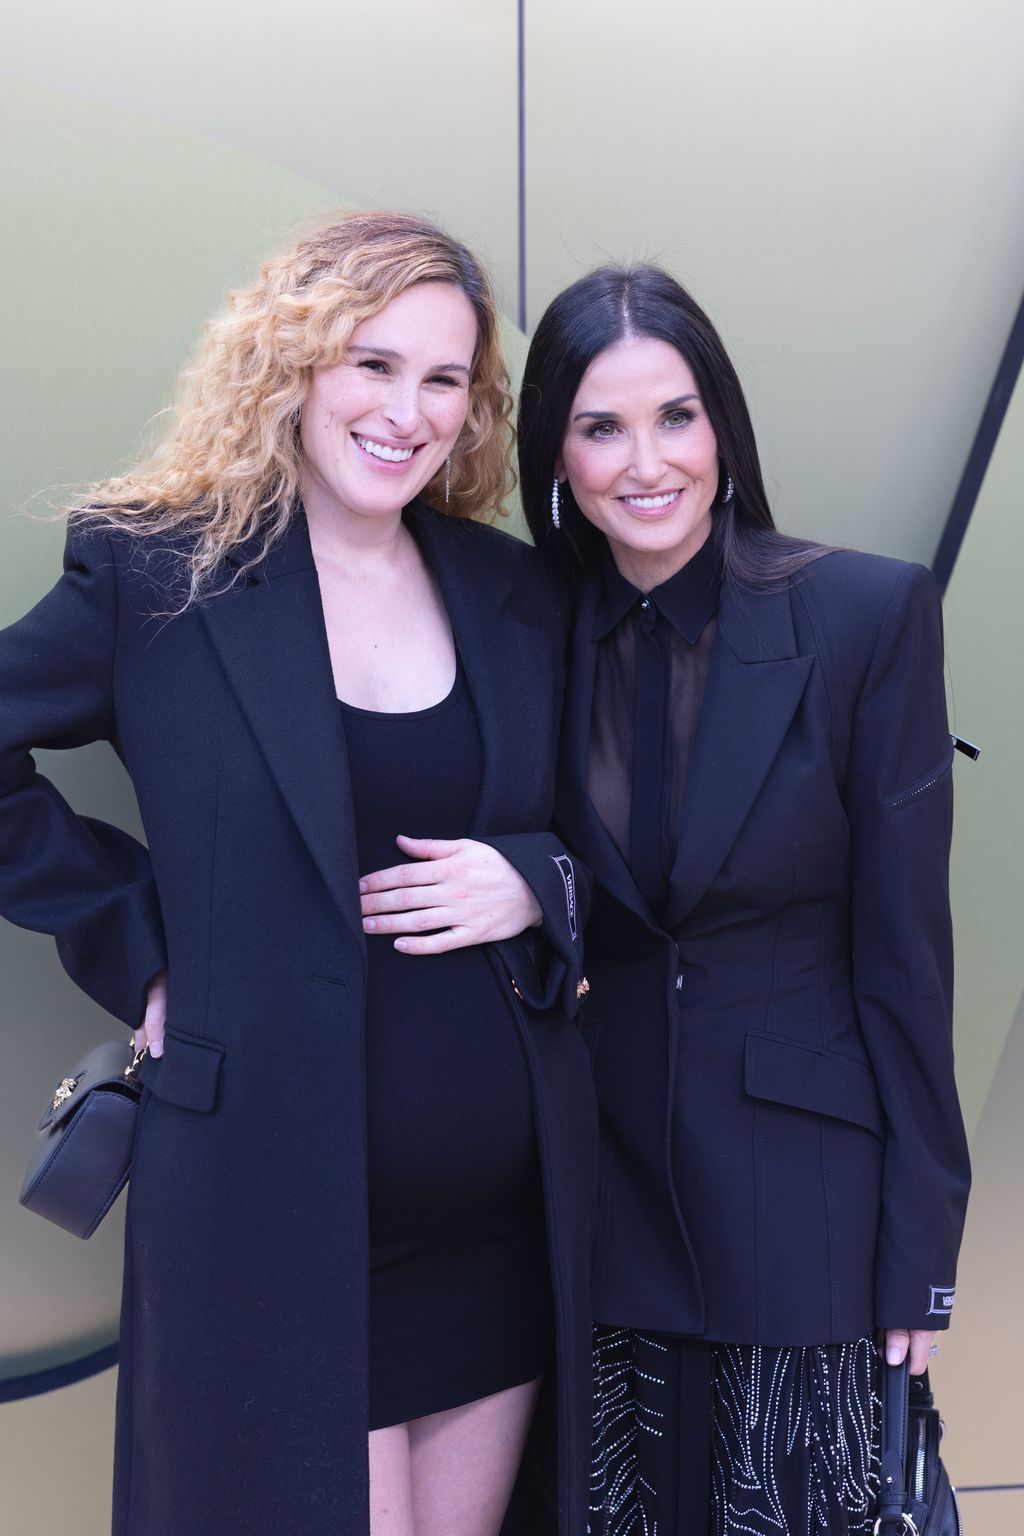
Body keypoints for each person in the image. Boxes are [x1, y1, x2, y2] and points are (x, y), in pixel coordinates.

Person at [0, 211, 598, 1536]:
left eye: (444, 379)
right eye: (371, 365)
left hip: (500, 1237)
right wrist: (140, 940)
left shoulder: (517, 595)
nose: (408, 412)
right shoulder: (159, 572)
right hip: (277, 1220)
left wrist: (535, 878)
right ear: (291, 363)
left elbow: (618, 839)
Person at [513, 264, 971, 1535]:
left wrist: (918, 1257)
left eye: (676, 416)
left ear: (724, 425)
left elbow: (905, 960)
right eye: (600, 426)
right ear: (554, 449)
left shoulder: (864, 613)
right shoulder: (516, 629)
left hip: (807, 1212)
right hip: (593, 1205)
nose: (644, 461)